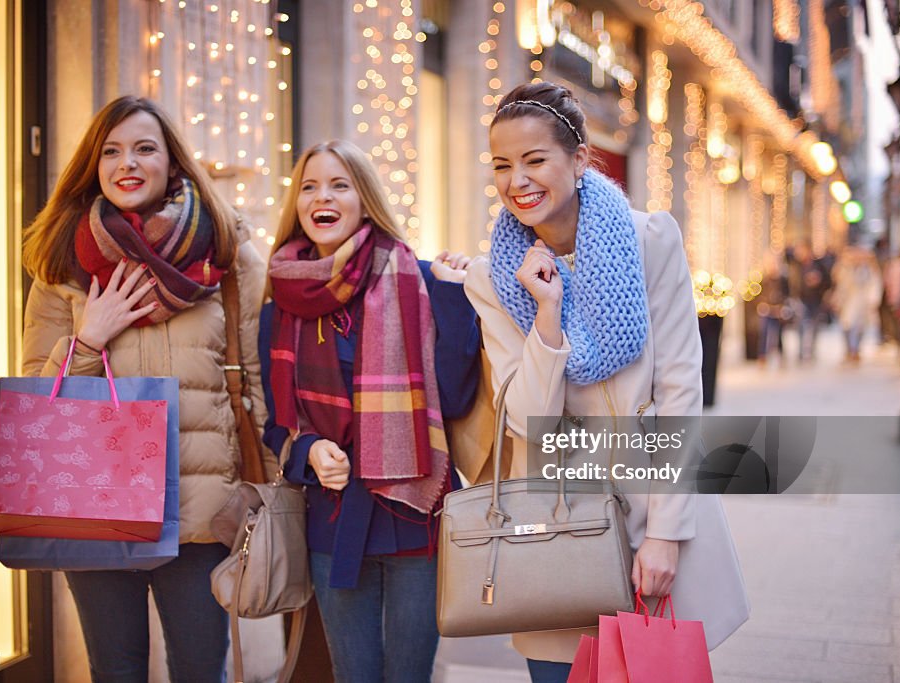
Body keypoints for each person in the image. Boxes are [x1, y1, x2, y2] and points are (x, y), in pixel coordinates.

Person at [464, 81, 750, 683]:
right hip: (556, 526)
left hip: (648, 511)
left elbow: (679, 391)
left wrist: (667, 534)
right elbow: (525, 415)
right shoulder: (493, 280)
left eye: (535, 160)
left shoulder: (651, 241)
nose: (518, 180)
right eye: (502, 165)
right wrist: (545, 314)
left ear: (579, 158)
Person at [21, 95, 268, 682]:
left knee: (200, 671)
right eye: (111, 151)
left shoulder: (228, 256)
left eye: (144, 148)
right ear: (94, 166)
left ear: (173, 163)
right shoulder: (62, 263)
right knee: (115, 671)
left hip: (201, 515)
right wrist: (87, 341)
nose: (126, 163)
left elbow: (258, 382)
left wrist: (266, 486)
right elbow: (36, 400)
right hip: (96, 504)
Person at [258, 139, 480, 683]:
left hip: (415, 517)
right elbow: (277, 429)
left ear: (365, 199)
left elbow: (454, 399)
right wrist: (308, 452)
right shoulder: (280, 307)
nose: (321, 197)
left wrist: (454, 297)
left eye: (339, 184)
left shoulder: (420, 282)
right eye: (309, 186)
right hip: (333, 524)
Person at [831, 245, 883, 362]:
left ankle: (855, 349)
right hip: (847, 302)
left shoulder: (869, 269)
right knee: (846, 326)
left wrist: (873, 300)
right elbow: (838, 282)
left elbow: (875, 285)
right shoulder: (845, 268)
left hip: (862, 303)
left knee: (860, 327)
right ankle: (849, 349)